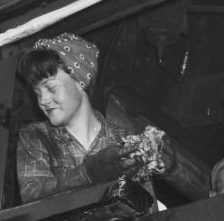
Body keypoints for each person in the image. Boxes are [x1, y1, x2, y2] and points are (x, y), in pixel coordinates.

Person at [16, 33, 149, 203]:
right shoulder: (36, 136)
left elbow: (146, 208)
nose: (43, 100)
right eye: (37, 93)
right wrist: (89, 171)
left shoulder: (126, 141)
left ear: (80, 82)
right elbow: (32, 194)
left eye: (51, 88)